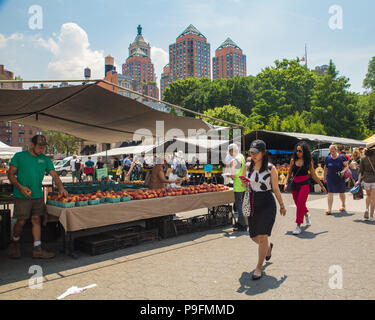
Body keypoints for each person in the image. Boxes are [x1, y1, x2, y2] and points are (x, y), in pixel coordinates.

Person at [7, 135, 68, 259]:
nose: (42, 149)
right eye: (39, 146)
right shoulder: (19, 156)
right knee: (21, 221)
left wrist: (61, 187)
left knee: (36, 220)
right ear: (32, 145)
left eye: (43, 147)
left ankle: (37, 248)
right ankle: (15, 243)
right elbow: (11, 175)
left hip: (38, 196)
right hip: (21, 195)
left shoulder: (45, 159)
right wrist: (21, 187)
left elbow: (55, 175)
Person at [241, 140, 286, 280]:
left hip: (267, 203)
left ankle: (258, 267)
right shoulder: (247, 166)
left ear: (263, 153)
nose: (253, 154)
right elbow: (244, 185)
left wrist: (282, 205)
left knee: (262, 236)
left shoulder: (271, 168)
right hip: (252, 202)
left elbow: (276, 188)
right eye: (251, 152)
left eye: (256, 152)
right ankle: (268, 248)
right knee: (253, 236)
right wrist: (243, 183)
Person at [284, 142, 327, 235]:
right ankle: (307, 215)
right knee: (298, 204)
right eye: (297, 151)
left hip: (304, 184)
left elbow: (313, 174)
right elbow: (289, 173)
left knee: (300, 204)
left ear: (305, 152)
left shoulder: (308, 161)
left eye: (300, 151)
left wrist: (322, 185)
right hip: (295, 185)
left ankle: (298, 225)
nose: (298, 153)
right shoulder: (293, 160)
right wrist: (285, 183)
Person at [323, 144, 349, 215]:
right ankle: (329, 209)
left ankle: (343, 205)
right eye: (331, 151)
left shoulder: (342, 157)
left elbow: (347, 166)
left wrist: (343, 171)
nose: (332, 152)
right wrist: (324, 177)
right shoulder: (328, 158)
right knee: (330, 192)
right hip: (330, 177)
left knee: (341, 192)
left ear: (336, 150)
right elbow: (325, 168)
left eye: (333, 151)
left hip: (340, 177)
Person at [226, 144, 247, 232]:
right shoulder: (241, 156)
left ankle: (242, 225)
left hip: (238, 184)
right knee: (242, 204)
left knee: (239, 205)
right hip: (243, 182)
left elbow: (234, 175)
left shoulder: (236, 159)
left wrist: (228, 175)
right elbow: (244, 168)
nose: (229, 153)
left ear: (232, 150)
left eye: (230, 151)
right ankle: (242, 222)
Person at [356, 142, 375, 220]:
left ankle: (366, 209)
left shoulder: (363, 158)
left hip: (366, 180)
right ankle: (371, 216)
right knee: (373, 198)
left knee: (368, 196)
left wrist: (358, 181)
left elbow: (360, 171)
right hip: (374, 179)